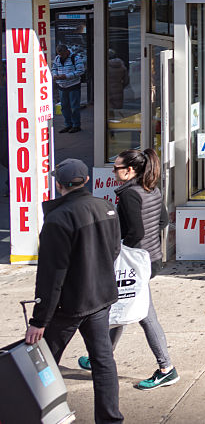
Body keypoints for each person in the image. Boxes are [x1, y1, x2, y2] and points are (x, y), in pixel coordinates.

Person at [26, 158, 123, 424]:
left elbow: (51, 275)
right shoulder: (106, 207)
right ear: (86, 181)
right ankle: (110, 419)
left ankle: (40, 414)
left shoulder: (58, 219)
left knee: (43, 363)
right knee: (103, 362)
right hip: (101, 298)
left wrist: (38, 320)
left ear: (58, 185)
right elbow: (114, 250)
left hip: (69, 305)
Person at [78, 148, 178, 390]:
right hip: (150, 259)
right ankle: (99, 356)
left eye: (117, 168)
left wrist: (121, 252)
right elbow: (162, 221)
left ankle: (166, 368)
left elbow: (136, 232)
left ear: (130, 170)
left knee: (143, 315)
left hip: (136, 263)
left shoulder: (130, 195)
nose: (113, 171)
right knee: (120, 305)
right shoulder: (151, 189)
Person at [53, 43, 86, 133]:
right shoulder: (57, 58)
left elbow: (81, 70)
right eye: (59, 54)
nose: (61, 56)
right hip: (62, 86)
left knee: (74, 106)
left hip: (73, 85)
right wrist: (55, 75)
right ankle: (68, 124)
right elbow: (54, 68)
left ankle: (76, 125)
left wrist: (67, 76)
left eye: (63, 54)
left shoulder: (75, 58)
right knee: (64, 107)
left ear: (67, 51)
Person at [106, 49, 129, 116]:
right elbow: (126, 80)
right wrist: (121, 86)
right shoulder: (121, 65)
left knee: (108, 110)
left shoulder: (105, 66)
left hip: (108, 89)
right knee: (118, 108)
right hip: (119, 88)